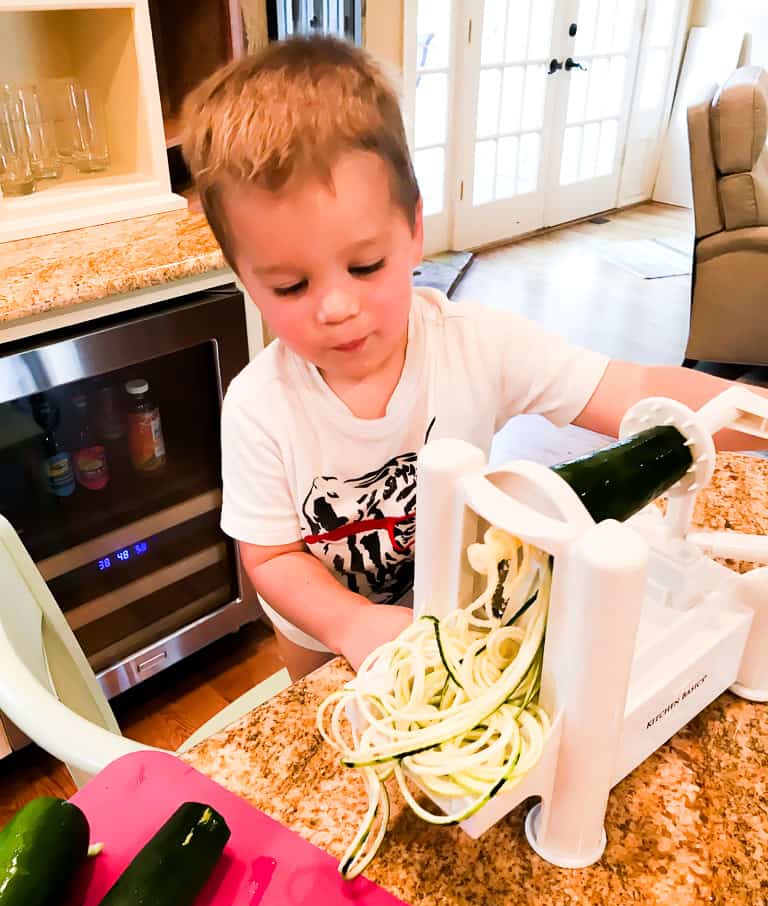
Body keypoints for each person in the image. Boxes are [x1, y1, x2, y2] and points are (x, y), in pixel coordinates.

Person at [181, 35, 767, 682]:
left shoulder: (477, 345)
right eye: (290, 287)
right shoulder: (260, 408)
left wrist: (754, 415)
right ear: (244, 279)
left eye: (366, 265)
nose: (336, 306)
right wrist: (349, 623)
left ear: (414, 232)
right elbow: (270, 557)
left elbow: (632, 389)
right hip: (324, 644)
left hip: (456, 614)